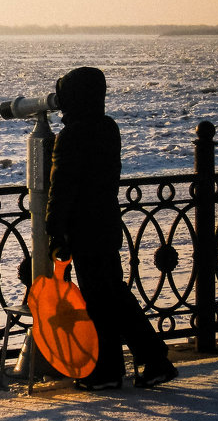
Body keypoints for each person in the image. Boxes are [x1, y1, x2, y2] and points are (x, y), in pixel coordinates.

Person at [44, 66, 177, 390]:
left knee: (105, 300)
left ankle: (128, 365)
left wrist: (54, 227)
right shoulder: (107, 128)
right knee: (110, 296)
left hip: (84, 229)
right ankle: (128, 364)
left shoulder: (71, 136)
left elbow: (63, 189)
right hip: (106, 223)